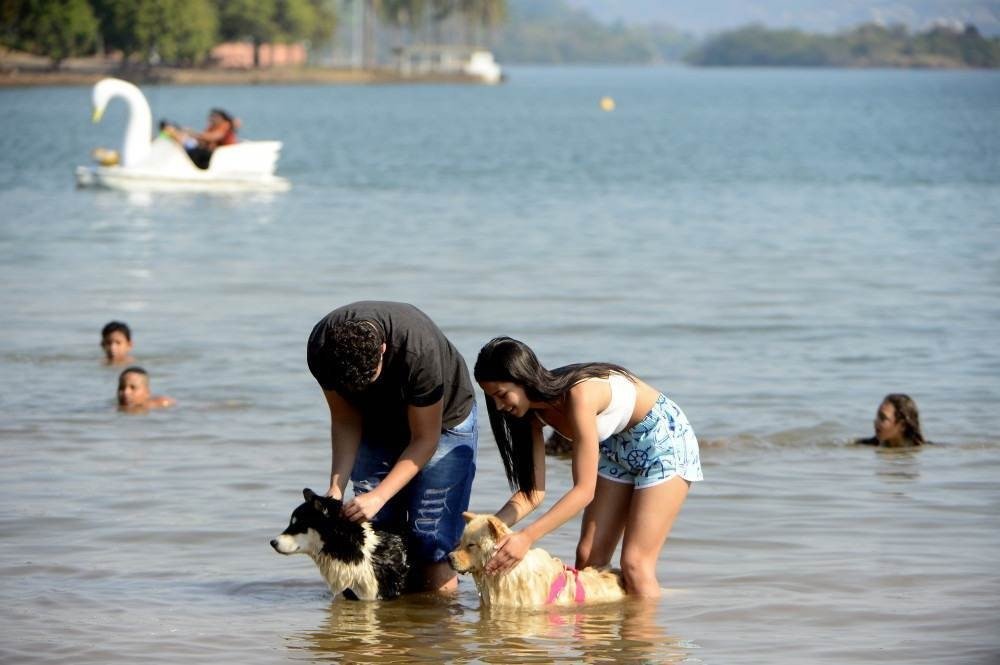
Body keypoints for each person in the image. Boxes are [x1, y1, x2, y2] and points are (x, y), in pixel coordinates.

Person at [473, 336, 702, 598]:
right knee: (588, 558)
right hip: (615, 449)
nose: (500, 406)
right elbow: (532, 493)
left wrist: (526, 538)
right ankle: (595, 637)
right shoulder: (529, 415)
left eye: (502, 395)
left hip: (663, 441)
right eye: (493, 399)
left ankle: (642, 637)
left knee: (635, 565)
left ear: (523, 378)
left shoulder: (578, 395)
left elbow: (584, 491)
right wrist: (489, 529)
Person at [306, 301, 478, 593]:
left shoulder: (418, 351)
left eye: (368, 380)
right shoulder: (323, 349)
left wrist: (379, 495)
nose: (361, 390)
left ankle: (439, 632)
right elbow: (346, 420)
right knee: (377, 532)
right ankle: (392, 632)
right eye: (353, 387)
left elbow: (425, 439)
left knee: (430, 539)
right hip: (375, 425)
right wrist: (336, 488)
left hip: (443, 424)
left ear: (383, 349)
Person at [161, 108, 238, 169]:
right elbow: (203, 140)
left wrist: (193, 133)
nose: (211, 119)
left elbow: (212, 137)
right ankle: (172, 133)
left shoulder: (225, 126)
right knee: (185, 142)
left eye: (214, 117)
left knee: (189, 146)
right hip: (206, 152)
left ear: (221, 118)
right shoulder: (212, 127)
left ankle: (172, 132)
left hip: (212, 155)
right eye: (211, 116)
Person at [856, 394, 925, 447]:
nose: (876, 422)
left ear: (902, 426)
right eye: (877, 417)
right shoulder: (864, 445)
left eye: (883, 418)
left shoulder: (920, 448)